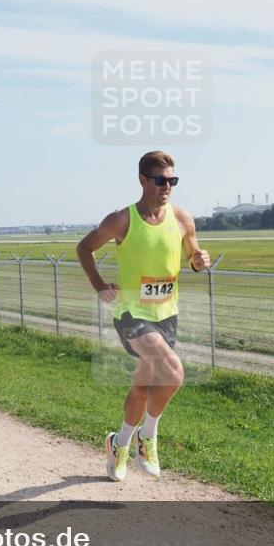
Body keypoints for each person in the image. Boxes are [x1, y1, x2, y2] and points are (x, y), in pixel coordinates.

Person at [77, 151, 210, 481]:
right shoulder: (122, 220)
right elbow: (84, 248)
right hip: (131, 314)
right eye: (160, 180)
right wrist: (98, 285)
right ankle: (148, 436)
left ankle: (118, 443)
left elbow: (192, 257)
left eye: (172, 181)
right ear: (142, 180)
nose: (167, 186)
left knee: (142, 389)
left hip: (166, 314)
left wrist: (199, 261)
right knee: (174, 371)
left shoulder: (182, 219)